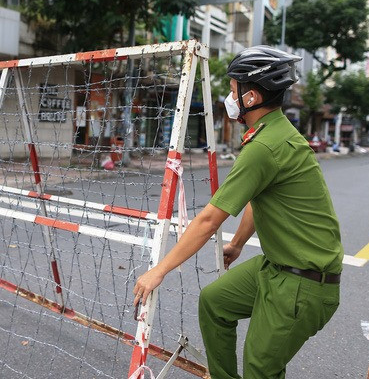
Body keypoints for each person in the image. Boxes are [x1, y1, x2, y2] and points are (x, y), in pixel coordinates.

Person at [132, 46, 343, 379]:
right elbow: (261, 201)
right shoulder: (273, 133)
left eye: (233, 90)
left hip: (302, 283)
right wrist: (239, 243)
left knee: (260, 369)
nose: (230, 97)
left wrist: (160, 270)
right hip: (277, 266)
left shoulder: (264, 147)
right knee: (215, 302)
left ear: (251, 97)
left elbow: (209, 220)